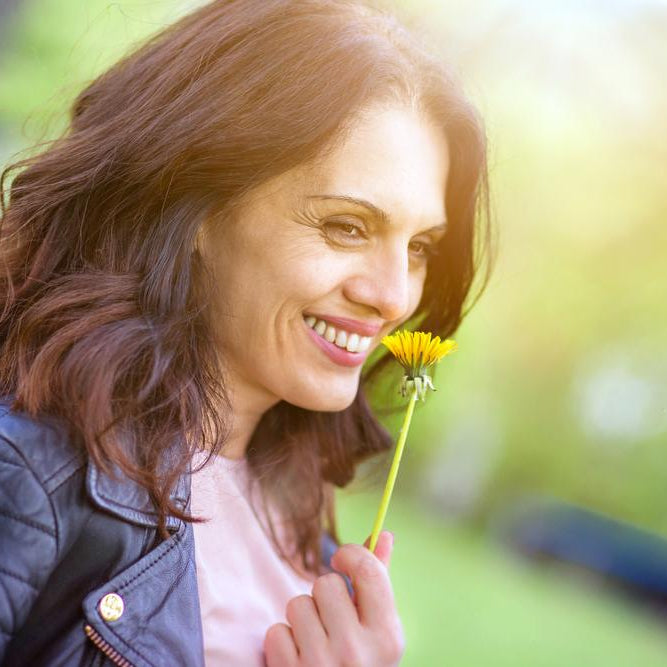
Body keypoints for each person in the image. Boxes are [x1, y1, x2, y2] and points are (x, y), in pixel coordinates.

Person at [0, 0, 492, 664]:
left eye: (419, 248)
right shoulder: (28, 475)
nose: (391, 295)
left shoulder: (306, 536)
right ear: (196, 203)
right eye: (346, 226)